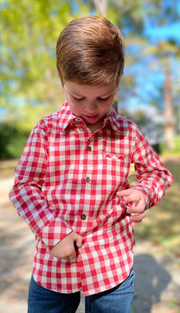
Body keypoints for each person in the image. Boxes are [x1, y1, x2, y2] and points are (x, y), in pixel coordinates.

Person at [9, 15, 173, 313]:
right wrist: (52, 231)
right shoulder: (45, 132)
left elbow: (158, 174)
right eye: (77, 96)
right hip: (54, 267)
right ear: (62, 81)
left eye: (103, 97)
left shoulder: (128, 133)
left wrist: (144, 193)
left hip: (111, 267)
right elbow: (23, 187)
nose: (90, 108)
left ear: (117, 83)